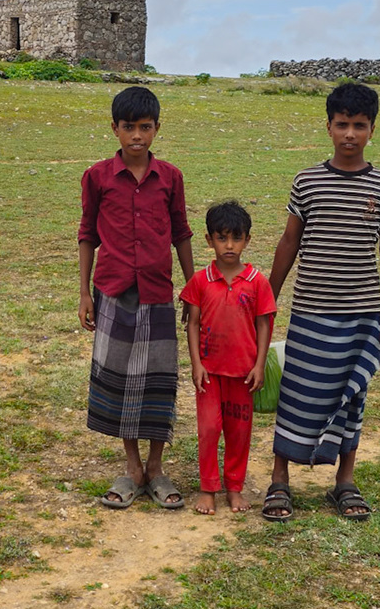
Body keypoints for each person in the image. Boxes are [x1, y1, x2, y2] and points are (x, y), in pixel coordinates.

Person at [262, 81, 380, 522]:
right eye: (342, 124)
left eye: (359, 126)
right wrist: (268, 294)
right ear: (328, 126)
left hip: (363, 312)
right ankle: (279, 478)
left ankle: (345, 480)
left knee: (352, 395)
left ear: (372, 130)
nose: (349, 134)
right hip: (310, 310)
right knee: (297, 392)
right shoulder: (307, 181)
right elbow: (289, 241)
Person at [79, 85, 196, 510]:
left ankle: (157, 468)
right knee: (121, 380)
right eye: (129, 128)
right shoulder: (96, 177)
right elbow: (87, 235)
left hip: (158, 292)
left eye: (145, 128)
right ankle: (132, 468)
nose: (137, 137)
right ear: (114, 128)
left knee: (157, 382)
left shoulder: (171, 177)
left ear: (157, 129)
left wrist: (193, 289)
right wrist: (83, 294)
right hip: (112, 290)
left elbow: (181, 233)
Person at [178, 201, 277, 515]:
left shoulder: (258, 282)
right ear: (209, 240)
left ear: (247, 240)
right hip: (209, 373)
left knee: (238, 432)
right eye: (222, 238)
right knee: (208, 429)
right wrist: (196, 364)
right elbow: (192, 323)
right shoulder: (200, 281)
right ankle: (208, 488)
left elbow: (264, 324)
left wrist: (259, 364)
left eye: (236, 238)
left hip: (243, 374)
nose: (229, 245)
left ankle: (234, 487)